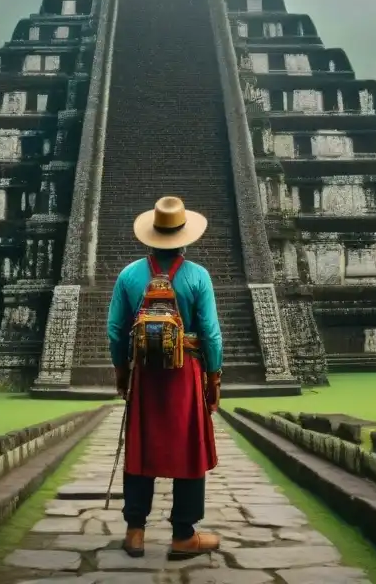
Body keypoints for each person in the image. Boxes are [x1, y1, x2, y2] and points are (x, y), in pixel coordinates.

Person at [107, 196, 223, 561]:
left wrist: (122, 373)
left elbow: (115, 330)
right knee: (188, 449)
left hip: (145, 374)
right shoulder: (198, 276)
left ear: (150, 237)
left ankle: (135, 531)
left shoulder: (129, 275)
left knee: (140, 448)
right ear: (184, 237)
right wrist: (213, 378)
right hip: (185, 372)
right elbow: (211, 333)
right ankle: (184, 534)